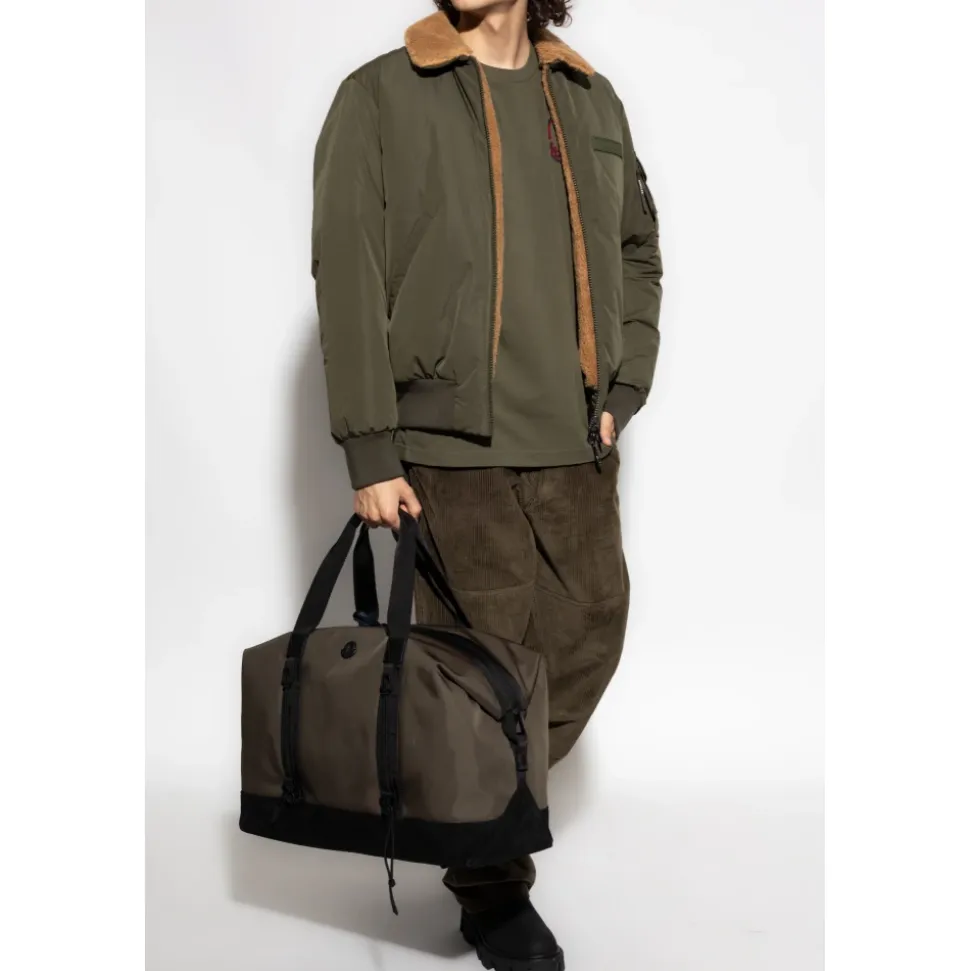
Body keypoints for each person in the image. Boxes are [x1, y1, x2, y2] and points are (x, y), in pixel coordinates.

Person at [311, 1, 662, 967]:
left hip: (576, 438)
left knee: (589, 633)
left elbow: (637, 246)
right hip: (449, 449)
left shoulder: (589, 99)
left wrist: (624, 383)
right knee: (480, 674)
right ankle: (493, 888)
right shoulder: (381, 96)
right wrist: (371, 450)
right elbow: (348, 269)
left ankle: (451, 797)